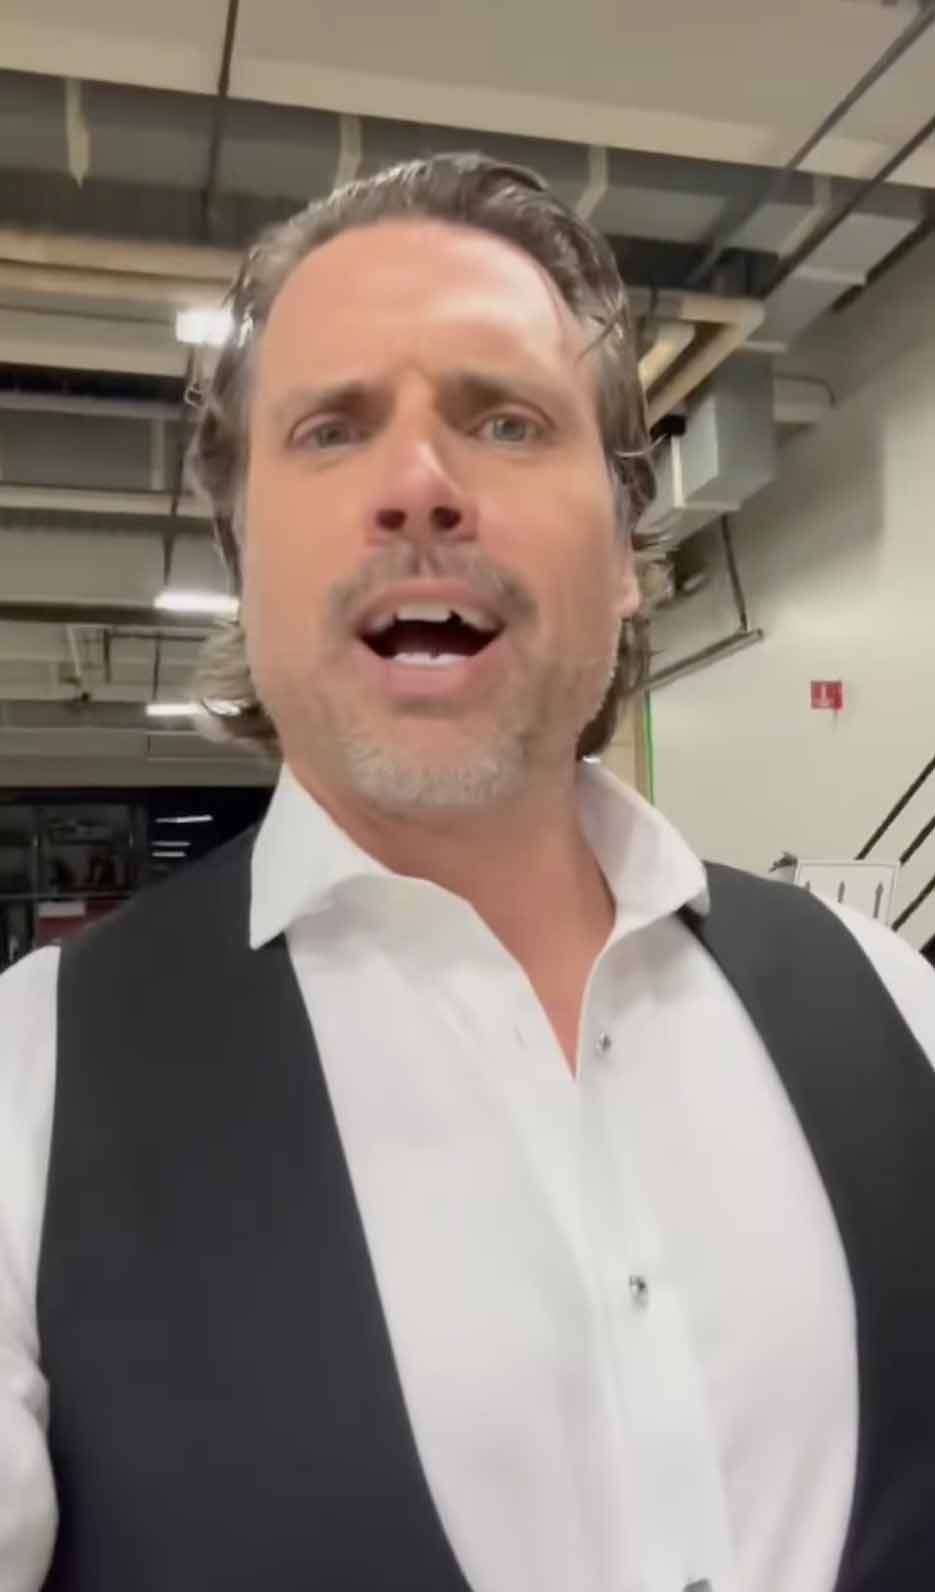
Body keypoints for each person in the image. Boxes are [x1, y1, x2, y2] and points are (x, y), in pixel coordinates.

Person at [1, 153, 934, 1592]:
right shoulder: (29, 1093)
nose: (419, 487)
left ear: (625, 550)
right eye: (332, 429)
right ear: (244, 555)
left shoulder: (893, 1007)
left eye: (505, 421)